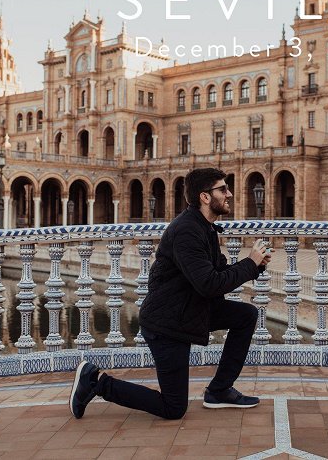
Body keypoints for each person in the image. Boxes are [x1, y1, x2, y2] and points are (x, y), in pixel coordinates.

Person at [69, 168, 273, 420]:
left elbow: (217, 273)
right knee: (173, 408)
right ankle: (95, 381)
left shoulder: (205, 227)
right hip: (167, 324)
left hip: (189, 311)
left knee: (245, 315)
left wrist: (255, 265)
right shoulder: (187, 231)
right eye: (223, 189)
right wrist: (249, 264)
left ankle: (219, 390)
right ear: (205, 197)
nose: (229, 193)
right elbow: (209, 284)